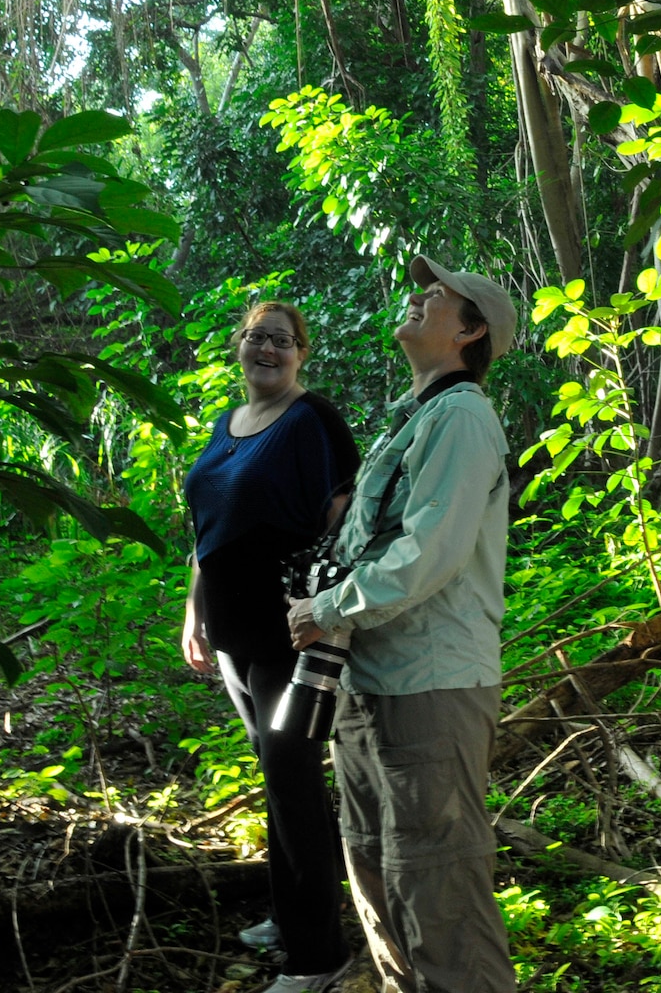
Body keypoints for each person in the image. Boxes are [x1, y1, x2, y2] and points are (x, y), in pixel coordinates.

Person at [287, 256, 519, 993]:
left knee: (438, 874)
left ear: (471, 331)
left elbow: (432, 551)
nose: (420, 297)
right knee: (375, 858)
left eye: (439, 296)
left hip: (431, 680)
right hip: (369, 673)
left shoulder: (463, 417)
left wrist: (326, 609)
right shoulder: (418, 414)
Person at [181, 300, 360, 991]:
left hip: (288, 634)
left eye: (282, 341)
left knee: (292, 780)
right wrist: (192, 613)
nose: (268, 349)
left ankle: (320, 956)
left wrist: (326, 612)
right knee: (277, 777)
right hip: (231, 634)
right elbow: (206, 530)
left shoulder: (311, 421)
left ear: (301, 354)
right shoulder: (226, 427)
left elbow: (341, 524)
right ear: (238, 345)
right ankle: (290, 919)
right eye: (257, 337)